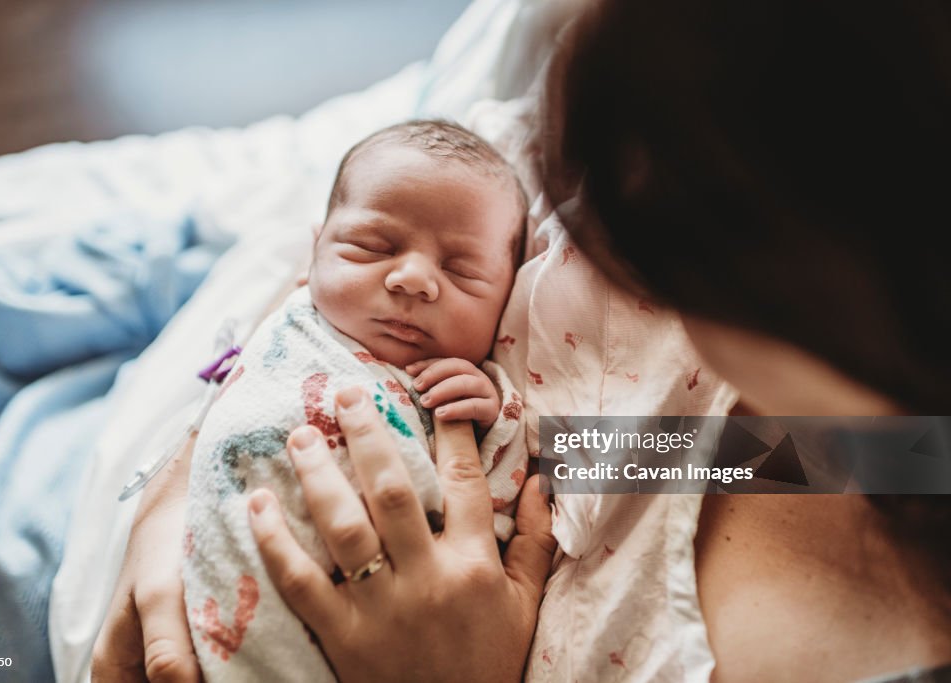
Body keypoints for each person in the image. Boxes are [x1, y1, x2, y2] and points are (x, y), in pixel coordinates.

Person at [92, 1, 951, 681]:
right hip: (143, 452)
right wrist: (184, 487)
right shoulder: (855, 440)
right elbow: (367, 240)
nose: (618, 249)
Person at [182, 119, 529, 682]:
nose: (414, 279)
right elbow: (232, 387)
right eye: (371, 247)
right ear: (313, 252)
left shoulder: (463, 379)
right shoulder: (295, 325)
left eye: (463, 272)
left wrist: (493, 411)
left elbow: (524, 466)